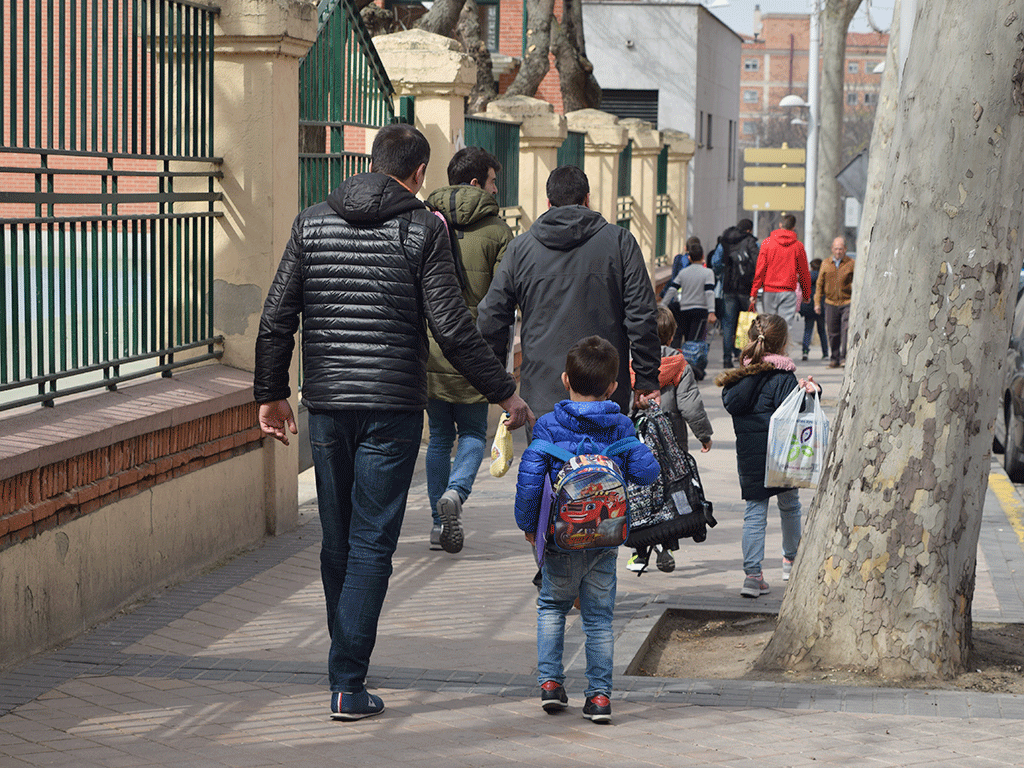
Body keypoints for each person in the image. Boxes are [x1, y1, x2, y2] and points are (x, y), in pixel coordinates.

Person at [254, 123, 533, 722]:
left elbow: (278, 316)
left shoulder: (312, 221)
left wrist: (272, 393)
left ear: (370, 162)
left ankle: (345, 658)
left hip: (326, 406)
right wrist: (505, 394)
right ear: (418, 174)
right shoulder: (420, 228)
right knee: (372, 542)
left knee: (338, 539)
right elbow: (453, 328)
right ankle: (348, 680)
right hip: (391, 409)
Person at [513, 336, 660, 723]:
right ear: (613, 387)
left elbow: (530, 477)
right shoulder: (620, 426)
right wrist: (632, 442)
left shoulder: (547, 425)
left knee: (550, 607)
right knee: (598, 618)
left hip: (560, 538)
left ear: (565, 379)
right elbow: (647, 471)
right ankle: (598, 698)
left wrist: (529, 525)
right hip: (605, 539)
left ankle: (550, 685)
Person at [477, 165, 661, 420]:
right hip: (605, 392)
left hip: (541, 397)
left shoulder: (521, 249)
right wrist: (647, 377)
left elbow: (491, 316)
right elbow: (642, 315)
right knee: (604, 461)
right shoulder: (620, 243)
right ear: (587, 199)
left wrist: (499, 385)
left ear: (548, 202)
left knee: (547, 460)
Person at [423, 147, 514, 553]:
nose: (497, 188)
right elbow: (503, 298)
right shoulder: (498, 231)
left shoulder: (424, 220)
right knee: (475, 432)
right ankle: (456, 494)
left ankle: (435, 525)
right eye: (494, 181)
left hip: (430, 347)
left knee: (440, 437)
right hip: (476, 350)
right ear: (476, 183)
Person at [714, 314, 819, 598]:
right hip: (781, 455)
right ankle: (791, 561)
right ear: (784, 344)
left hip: (750, 457)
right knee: (790, 505)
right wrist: (812, 392)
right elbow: (798, 414)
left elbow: (731, 405)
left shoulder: (740, 378)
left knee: (755, 512)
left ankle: (752, 576)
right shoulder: (783, 378)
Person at [625, 306, 714, 574]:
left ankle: (640, 554)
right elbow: (690, 405)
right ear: (672, 334)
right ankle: (667, 546)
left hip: (640, 437)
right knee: (669, 490)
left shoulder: (632, 365)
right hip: (672, 435)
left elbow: (626, 403)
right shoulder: (680, 365)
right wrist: (704, 433)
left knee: (641, 492)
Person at [749, 213, 812, 348]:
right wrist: (806, 294)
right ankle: (781, 354)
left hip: (769, 291)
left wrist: (754, 292)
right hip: (788, 291)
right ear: (793, 227)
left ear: (780, 225)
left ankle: (767, 352)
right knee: (785, 326)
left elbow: (760, 270)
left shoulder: (767, 243)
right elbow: (804, 273)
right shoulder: (798, 246)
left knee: (768, 324)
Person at [718, 218, 759, 368]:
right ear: (749, 230)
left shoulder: (726, 239)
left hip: (728, 287)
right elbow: (757, 262)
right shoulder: (749, 241)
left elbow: (717, 261)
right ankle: (742, 356)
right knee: (745, 323)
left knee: (728, 323)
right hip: (745, 288)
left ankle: (726, 358)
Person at [661, 238, 716, 349]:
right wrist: (711, 311)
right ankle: (691, 363)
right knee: (694, 341)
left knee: (683, 338)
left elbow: (672, 289)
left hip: (684, 309)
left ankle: (680, 362)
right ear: (703, 257)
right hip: (700, 311)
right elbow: (709, 292)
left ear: (689, 258)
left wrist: (662, 305)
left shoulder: (683, 273)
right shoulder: (708, 273)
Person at [815, 237, 855, 368]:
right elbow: (820, 284)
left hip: (847, 302)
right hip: (830, 302)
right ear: (832, 249)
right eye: (836, 249)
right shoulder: (826, 263)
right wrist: (817, 303)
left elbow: (857, 282)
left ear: (845, 249)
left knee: (845, 330)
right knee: (832, 332)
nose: (838, 251)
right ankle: (834, 358)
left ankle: (843, 358)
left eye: (841, 249)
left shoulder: (851, 263)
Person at [800, 258, 828, 361]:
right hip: (821, 307)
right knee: (822, 331)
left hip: (809, 307)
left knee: (808, 330)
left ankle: (805, 351)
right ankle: (825, 353)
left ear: (811, 267)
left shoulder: (807, 277)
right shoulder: (824, 277)